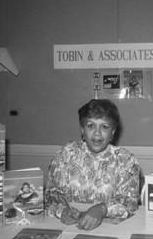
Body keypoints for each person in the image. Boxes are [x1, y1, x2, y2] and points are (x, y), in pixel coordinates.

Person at [45, 99, 140, 230]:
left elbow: (130, 203)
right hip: (68, 228)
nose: (97, 132)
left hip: (112, 230)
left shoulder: (125, 160)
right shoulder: (65, 154)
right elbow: (51, 196)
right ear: (82, 130)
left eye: (105, 127)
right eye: (90, 125)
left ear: (112, 132)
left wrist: (102, 209)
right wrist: (62, 211)